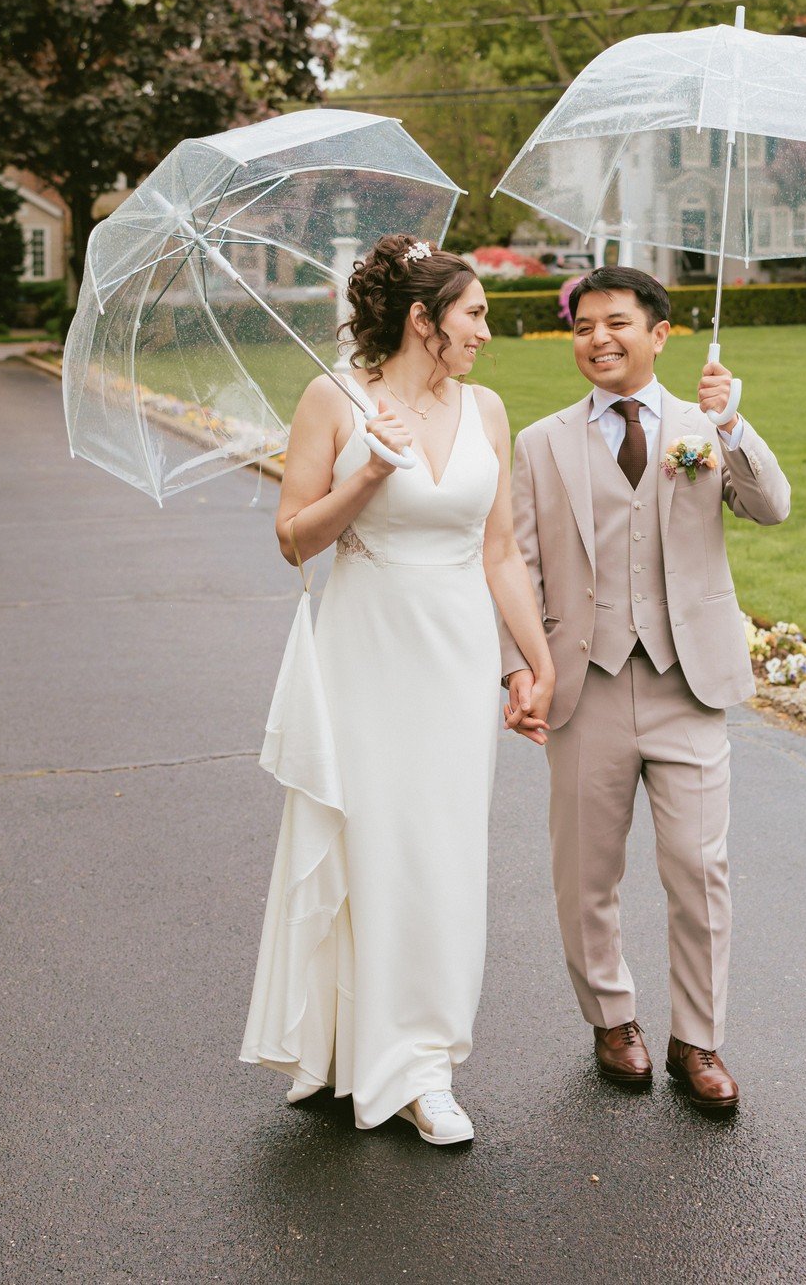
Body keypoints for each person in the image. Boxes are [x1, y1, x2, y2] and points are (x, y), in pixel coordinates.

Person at [241, 235, 554, 1146]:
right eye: (475, 314)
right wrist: (371, 472)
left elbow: (500, 552)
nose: (486, 332)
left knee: (443, 851)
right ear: (424, 320)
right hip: (365, 653)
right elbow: (295, 539)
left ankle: (425, 1062)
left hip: (454, 656)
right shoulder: (333, 400)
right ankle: (356, 1048)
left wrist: (536, 662)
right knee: (370, 845)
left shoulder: (487, 410)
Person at [500, 266, 790, 1116]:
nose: (598, 339)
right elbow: (516, 565)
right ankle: (611, 1017)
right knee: (584, 871)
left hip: (685, 684)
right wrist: (518, 667)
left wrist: (731, 421)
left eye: (616, 323)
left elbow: (769, 506)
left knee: (701, 869)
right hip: (581, 685)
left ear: (658, 334)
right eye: (584, 326)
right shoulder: (540, 443)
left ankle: (697, 1037)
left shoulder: (705, 426)